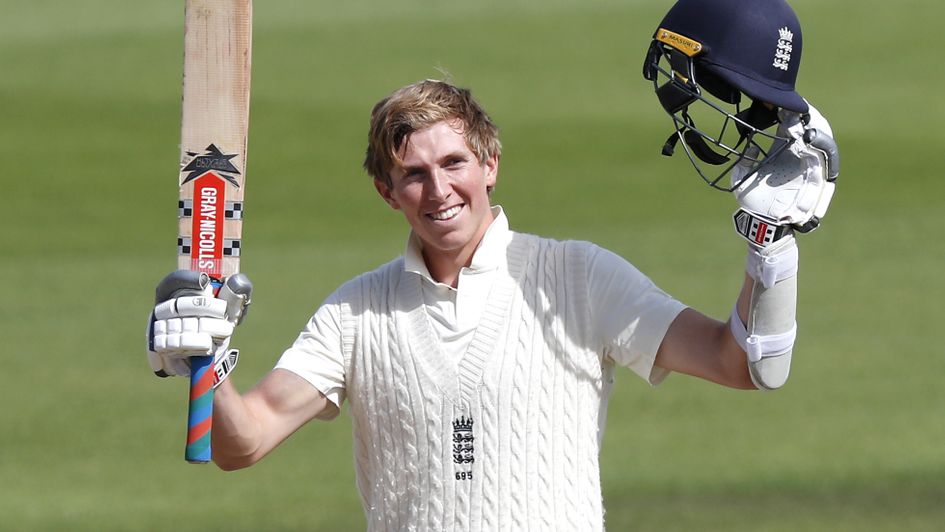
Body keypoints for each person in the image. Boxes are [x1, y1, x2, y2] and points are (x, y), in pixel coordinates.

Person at [147, 0, 838, 529]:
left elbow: (742, 363)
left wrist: (770, 250)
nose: (438, 190)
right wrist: (205, 364)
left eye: (454, 163)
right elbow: (244, 442)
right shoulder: (355, 311)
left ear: (490, 163)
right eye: (412, 174)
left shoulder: (578, 278)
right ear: (386, 192)